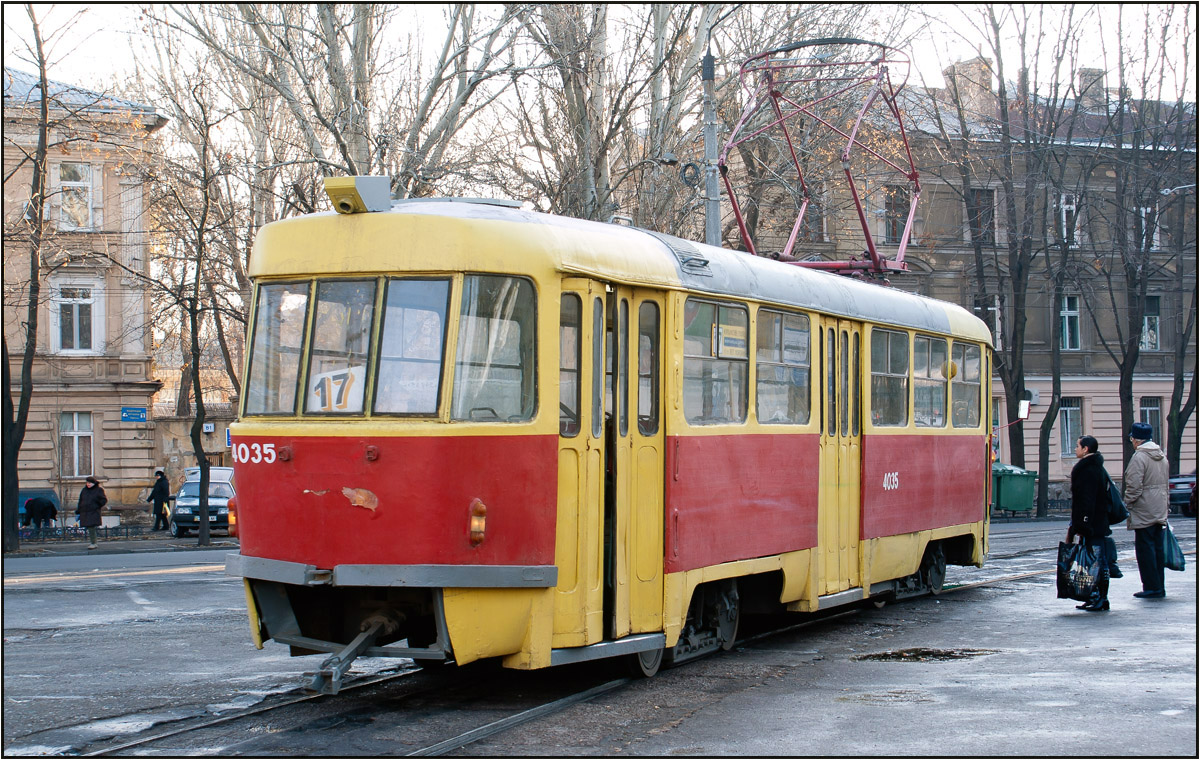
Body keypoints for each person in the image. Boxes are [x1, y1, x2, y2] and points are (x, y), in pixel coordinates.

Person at [1124, 421, 1170, 599]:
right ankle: (1159, 586)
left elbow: (1134, 486)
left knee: (1145, 551)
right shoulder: (1161, 455)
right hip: (1159, 507)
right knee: (1157, 550)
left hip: (1143, 509)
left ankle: (1151, 587)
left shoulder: (1139, 457)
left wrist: (1127, 502)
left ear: (1135, 439)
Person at [1067, 435, 1111, 611]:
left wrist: (1083, 524)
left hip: (1092, 524)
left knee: (1098, 561)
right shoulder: (1093, 467)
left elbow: (1087, 500)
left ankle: (1101, 598)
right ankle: (1094, 596)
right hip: (1094, 522)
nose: (1075, 448)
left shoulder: (1089, 470)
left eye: (1078, 446)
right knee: (1094, 561)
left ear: (1086, 449)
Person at [75, 476, 107, 550]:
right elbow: (81, 500)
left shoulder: (98, 490)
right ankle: (93, 542)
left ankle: (93, 543)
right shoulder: (84, 490)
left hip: (93, 511)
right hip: (85, 511)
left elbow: (103, 500)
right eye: (87, 483)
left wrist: (97, 505)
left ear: (93, 483)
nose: (88, 484)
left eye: (89, 483)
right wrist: (78, 510)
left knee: (91, 527)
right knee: (88, 527)